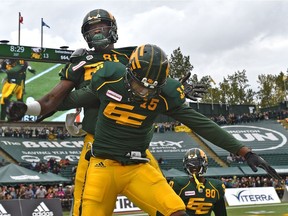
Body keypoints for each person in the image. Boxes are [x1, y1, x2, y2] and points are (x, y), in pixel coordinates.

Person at [8, 44, 281, 215]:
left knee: (175, 211)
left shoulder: (164, 94)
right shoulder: (109, 79)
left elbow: (200, 123)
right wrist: (29, 109)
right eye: (140, 84)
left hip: (138, 166)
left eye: (152, 86)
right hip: (102, 167)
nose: (144, 91)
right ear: (129, 73)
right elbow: (61, 100)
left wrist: (244, 151)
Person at [6, 9, 205, 216]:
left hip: (132, 141)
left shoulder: (131, 55)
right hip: (97, 143)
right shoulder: (81, 61)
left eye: (102, 26)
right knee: (84, 205)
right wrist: (33, 109)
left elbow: (156, 80)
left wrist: (178, 89)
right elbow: (54, 99)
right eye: (92, 29)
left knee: (163, 200)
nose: (98, 32)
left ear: (113, 29)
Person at [169, 148, 227, 216]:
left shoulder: (216, 187)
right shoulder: (178, 184)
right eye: (190, 163)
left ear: (204, 163)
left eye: (196, 163)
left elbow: (221, 213)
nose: (193, 166)